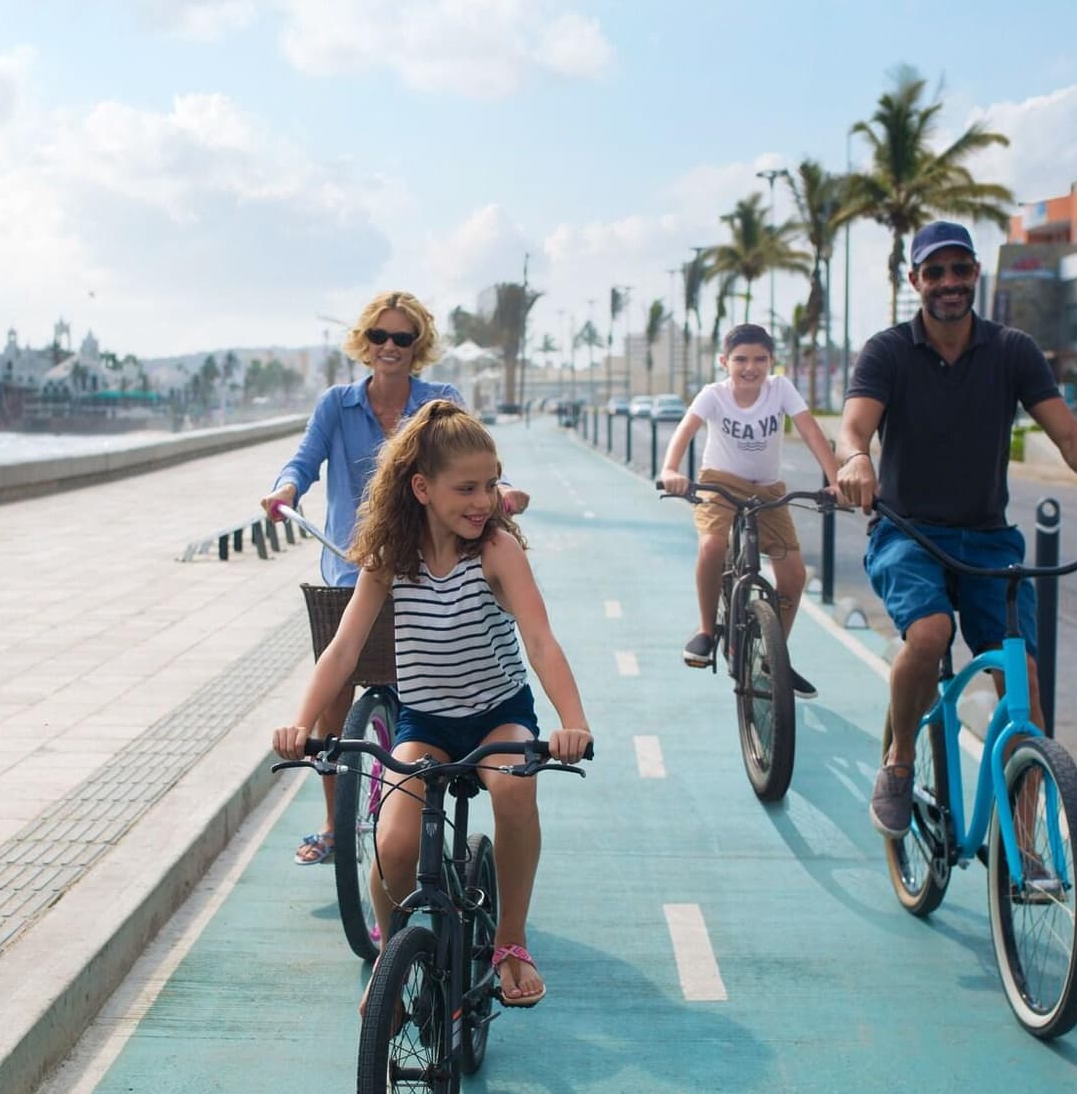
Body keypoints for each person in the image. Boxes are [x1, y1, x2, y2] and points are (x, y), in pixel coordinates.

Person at [833, 221, 1077, 837]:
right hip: (908, 535)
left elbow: (1069, 436)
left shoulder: (1012, 351)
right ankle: (898, 763)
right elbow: (854, 427)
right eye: (935, 272)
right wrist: (855, 459)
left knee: (1023, 680)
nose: (949, 283)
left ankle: (1025, 842)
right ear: (915, 281)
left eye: (960, 270)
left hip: (987, 540)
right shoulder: (888, 351)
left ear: (976, 274)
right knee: (928, 635)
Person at [273, 401, 590, 1008]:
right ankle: (392, 955)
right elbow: (342, 651)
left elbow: (541, 642)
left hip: (498, 715)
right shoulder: (390, 558)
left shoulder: (496, 550)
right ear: (421, 488)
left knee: (515, 789)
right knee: (392, 846)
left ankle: (510, 942)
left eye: (491, 484)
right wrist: (299, 722)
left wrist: (572, 722)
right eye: (466, 488)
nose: (484, 500)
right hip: (424, 723)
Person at [258, 292, 528, 867]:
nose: (389, 347)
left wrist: (501, 494)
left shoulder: (441, 403)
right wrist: (285, 490)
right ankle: (336, 822)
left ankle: (427, 825)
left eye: (402, 338)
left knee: (428, 689)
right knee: (335, 694)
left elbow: (472, 464)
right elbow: (304, 460)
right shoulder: (338, 404)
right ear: (365, 342)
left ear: (418, 346)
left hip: (427, 560)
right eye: (380, 336)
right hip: (350, 565)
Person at [656, 323, 841, 697]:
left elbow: (810, 431)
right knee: (712, 547)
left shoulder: (781, 390)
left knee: (793, 574)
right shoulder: (714, 395)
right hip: (719, 483)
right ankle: (707, 630)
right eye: (740, 359)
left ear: (772, 362)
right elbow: (686, 430)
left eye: (760, 359)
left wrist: (838, 480)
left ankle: (776, 656)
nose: (750, 368)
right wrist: (670, 470)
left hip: (768, 490)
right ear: (725, 361)